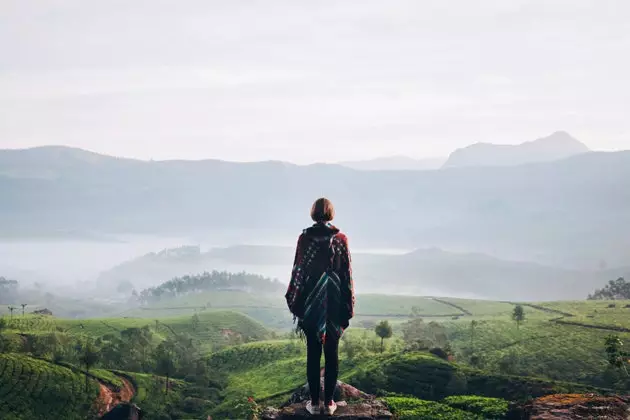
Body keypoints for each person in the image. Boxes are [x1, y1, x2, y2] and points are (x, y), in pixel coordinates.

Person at [285, 197, 355, 416]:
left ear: (313, 214)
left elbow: (299, 271)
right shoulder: (341, 239)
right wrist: (348, 302)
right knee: (332, 354)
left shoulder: (304, 239)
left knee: (313, 354)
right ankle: (330, 403)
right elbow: (347, 274)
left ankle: (314, 404)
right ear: (331, 214)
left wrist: (295, 298)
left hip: (311, 305)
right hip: (334, 304)